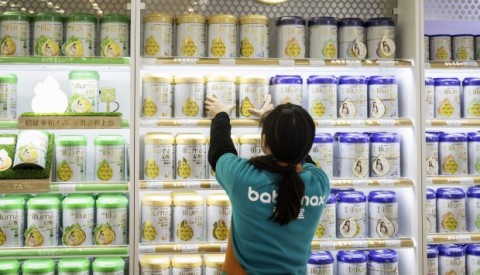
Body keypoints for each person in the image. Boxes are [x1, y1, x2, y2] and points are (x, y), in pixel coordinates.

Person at [205, 95, 330, 274]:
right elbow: (299, 153)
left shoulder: (244, 177)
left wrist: (221, 115)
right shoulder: (319, 183)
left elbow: (219, 151)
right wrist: (282, 124)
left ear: (264, 141)